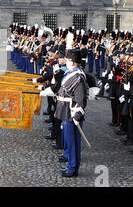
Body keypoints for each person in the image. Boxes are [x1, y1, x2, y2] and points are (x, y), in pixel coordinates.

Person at [51, 49, 87, 177]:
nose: (65, 62)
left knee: (73, 143)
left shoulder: (78, 76)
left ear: (72, 62)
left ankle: (72, 168)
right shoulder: (72, 73)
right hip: (65, 111)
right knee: (69, 141)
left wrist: (77, 115)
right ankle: (70, 166)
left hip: (71, 113)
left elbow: (81, 99)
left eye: (67, 60)